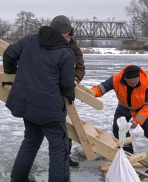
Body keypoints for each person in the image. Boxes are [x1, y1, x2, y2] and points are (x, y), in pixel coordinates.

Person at [3, 15, 76, 182]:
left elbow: (9, 54)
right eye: (68, 34)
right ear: (65, 34)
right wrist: (70, 96)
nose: (68, 37)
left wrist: (10, 73)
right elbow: (66, 85)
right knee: (59, 148)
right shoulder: (66, 53)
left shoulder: (29, 40)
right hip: (50, 109)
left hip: (27, 104)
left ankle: (18, 178)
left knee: (30, 141)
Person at [91, 65, 148, 154]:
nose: (134, 84)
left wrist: (137, 120)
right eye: (131, 83)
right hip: (124, 107)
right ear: (125, 79)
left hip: (143, 108)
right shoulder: (116, 79)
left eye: (136, 82)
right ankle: (127, 152)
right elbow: (101, 88)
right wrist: (89, 94)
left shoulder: (146, 82)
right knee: (118, 128)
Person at [65, 28, 85, 167]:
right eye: (66, 36)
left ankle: (65, 156)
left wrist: (75, 80)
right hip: (49, 91)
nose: (67, 38)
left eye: (69, 36)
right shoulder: (51, 47)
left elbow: (80, 68)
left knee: (67, 126)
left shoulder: (75, 50)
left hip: (67, 91)